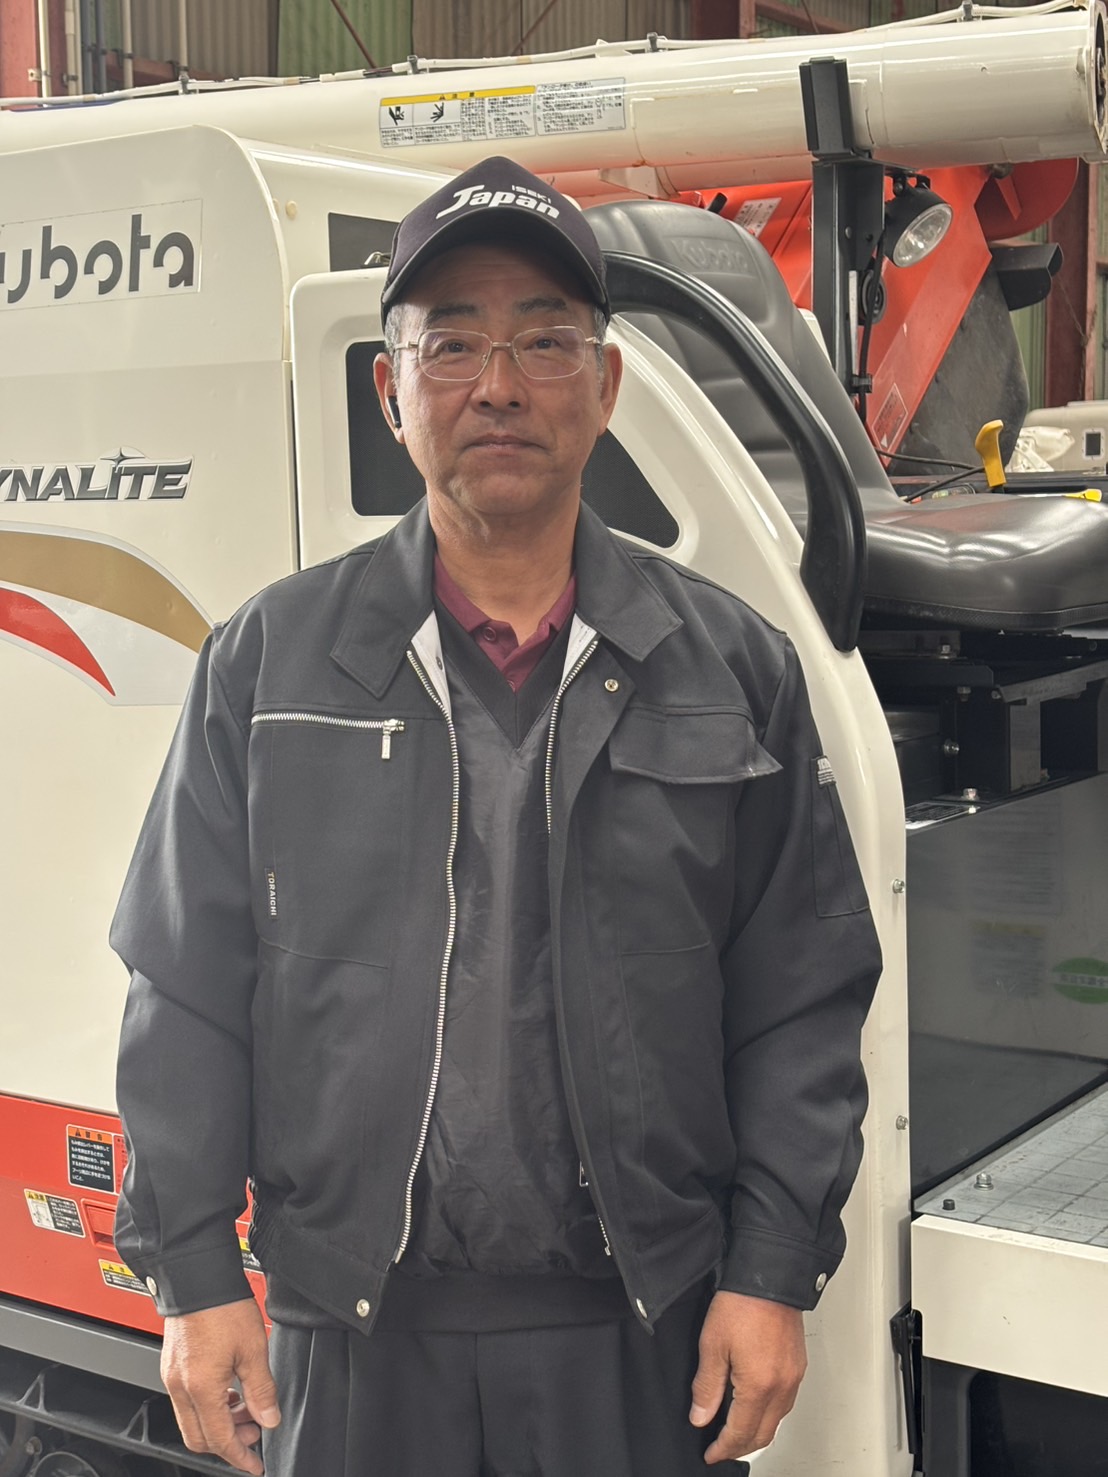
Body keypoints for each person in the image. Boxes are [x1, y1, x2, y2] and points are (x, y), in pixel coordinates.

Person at [111, 155, 882, 1477]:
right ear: (390, 390)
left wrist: (770, 1268)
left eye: (545, 339)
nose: (501, 384)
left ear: (609, 385)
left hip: (639, 1327)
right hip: (355, 1333)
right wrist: (193, 1273)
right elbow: (183, 986)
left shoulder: (732, 668)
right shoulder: (271, 666)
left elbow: (799, 997)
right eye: (453, 342)